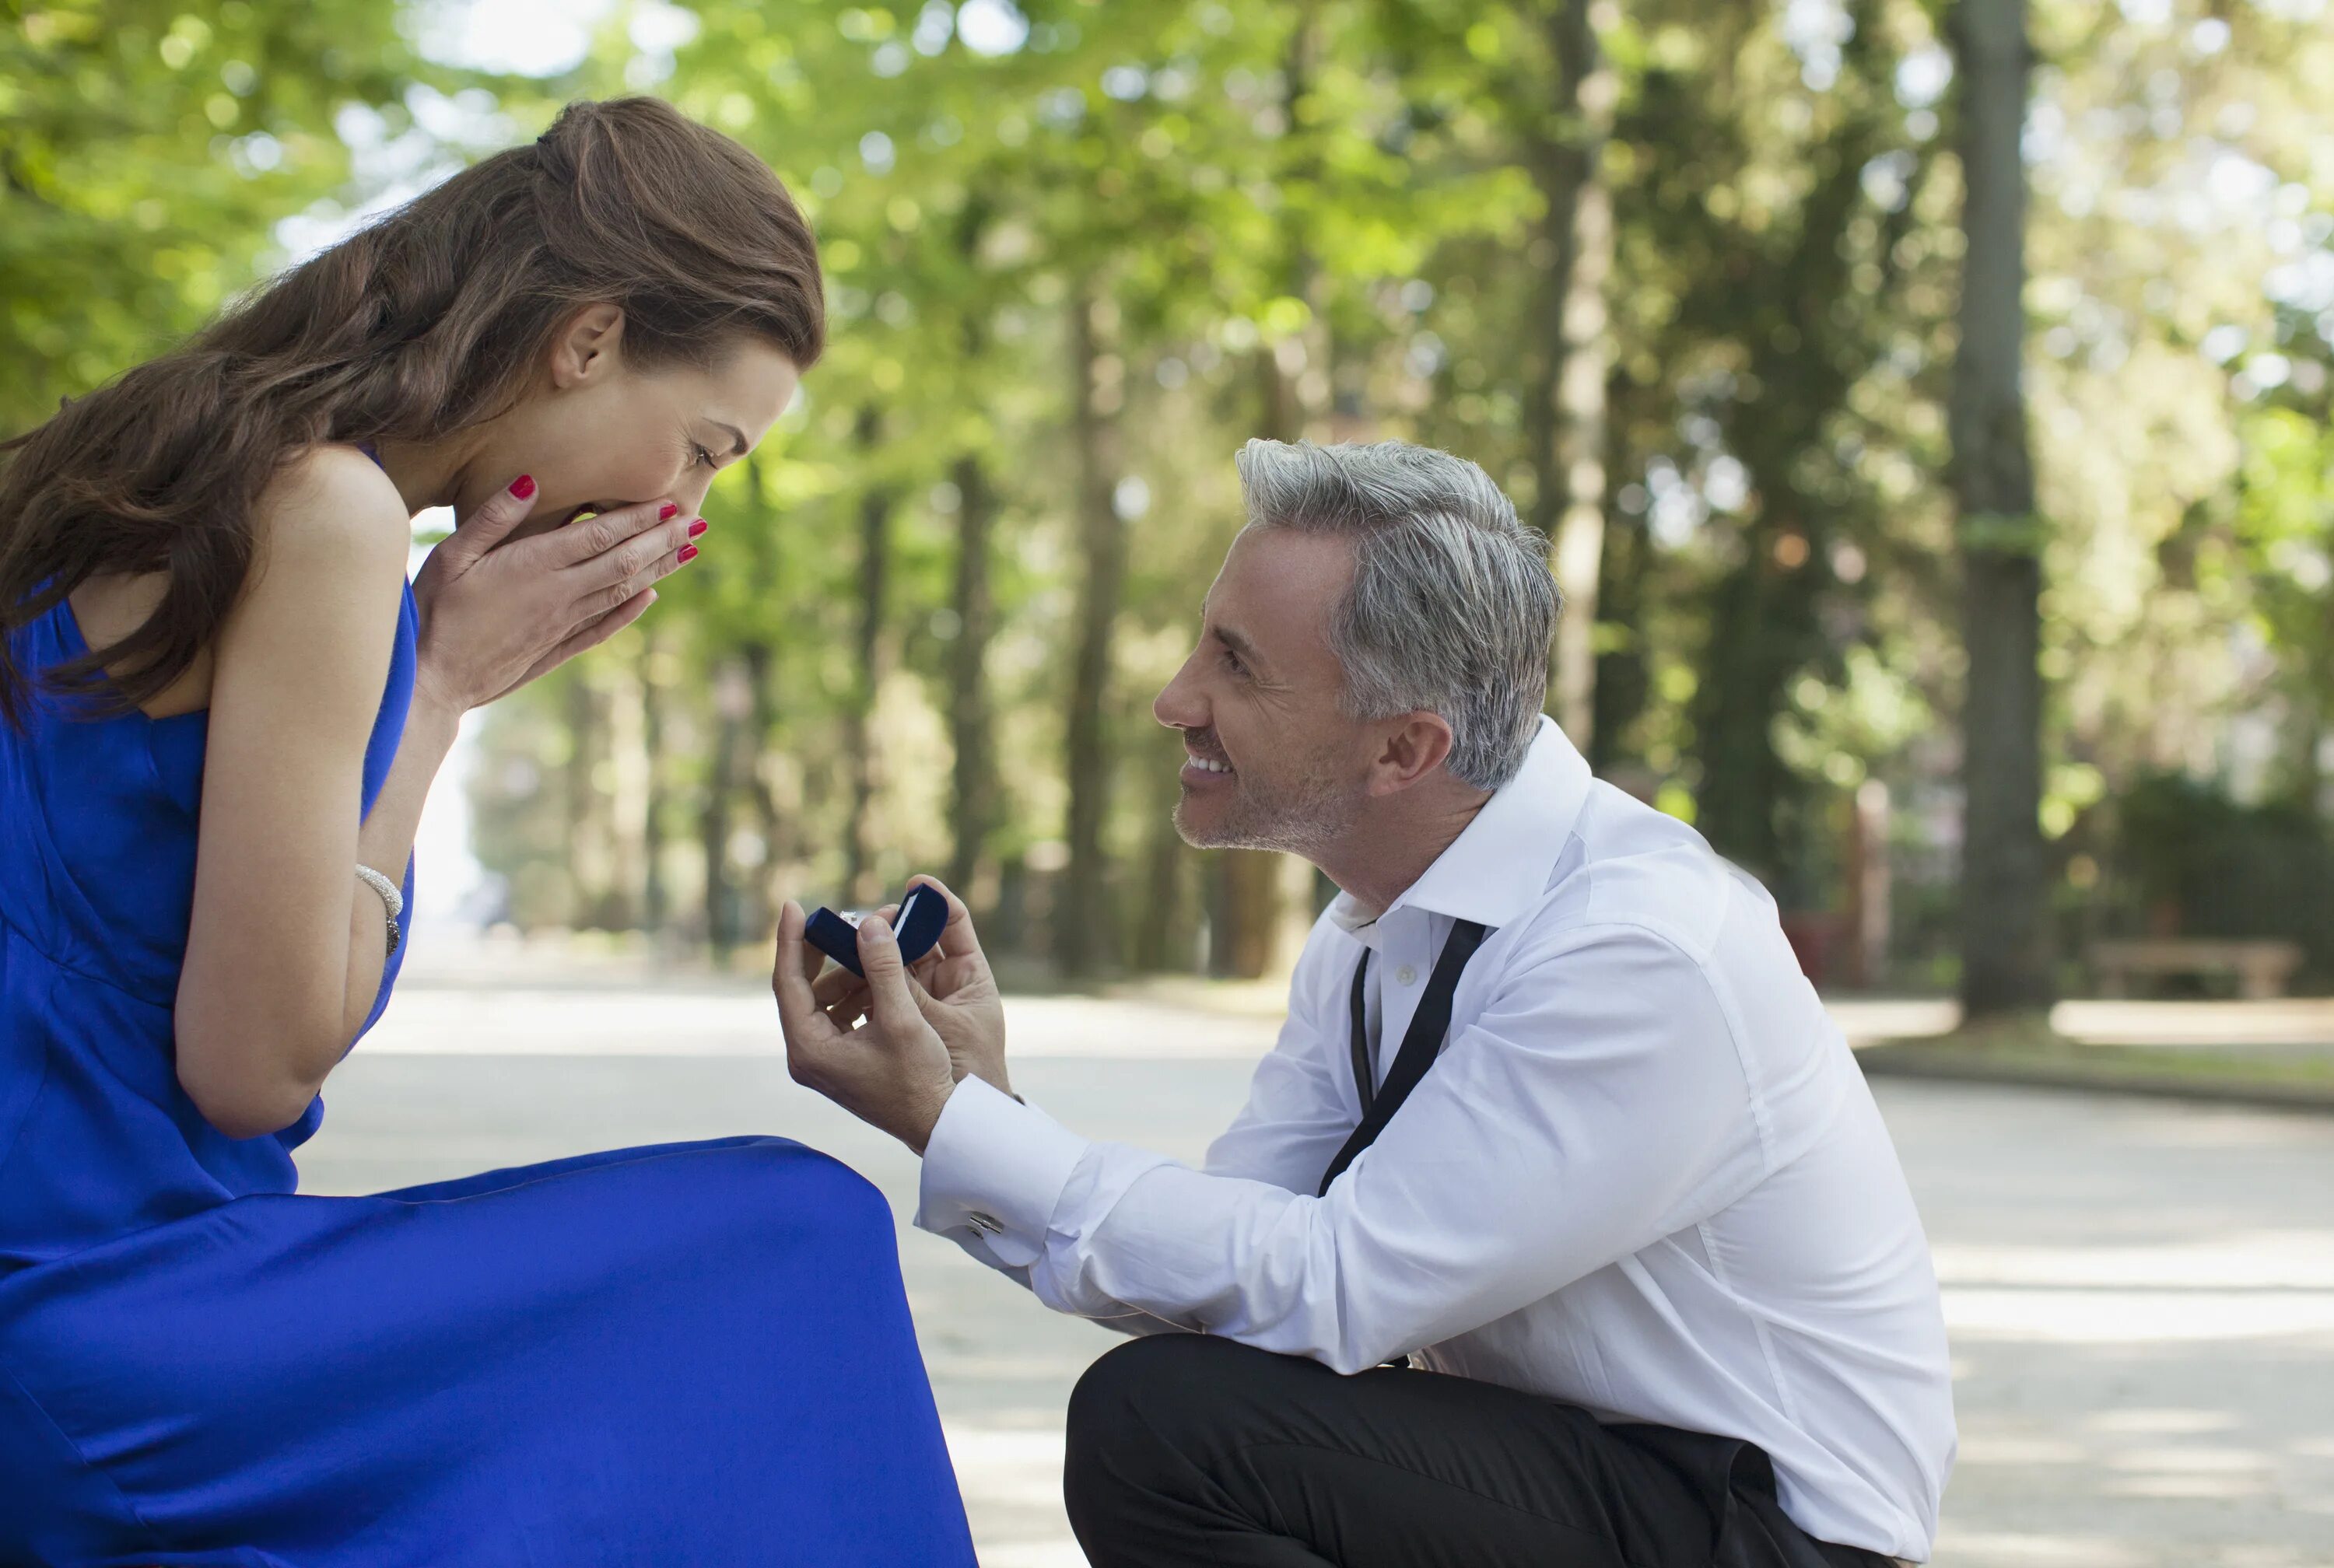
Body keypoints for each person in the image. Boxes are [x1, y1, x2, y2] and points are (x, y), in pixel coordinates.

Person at [0, 98, 974, 1565]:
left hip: (80, 1282)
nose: (680, 499)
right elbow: (252, 1070)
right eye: (705, 446)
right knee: (795, 1237)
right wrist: (441, 692)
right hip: (92, 1314)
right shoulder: (325, 512)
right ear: (586, 341)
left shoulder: (155, 462)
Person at [775, 439, 1956, 1568]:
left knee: (1172, 1432)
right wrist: (984, 1102)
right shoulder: (1372, 928)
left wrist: (952, 1126)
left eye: (1235, 664)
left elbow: (1337, 1286)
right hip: (1586, 1476)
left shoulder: (1634, 948)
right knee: (1185, 1405)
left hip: (1762, 1530)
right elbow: (1228, 1275)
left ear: (1403, 749)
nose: (1174, 700)